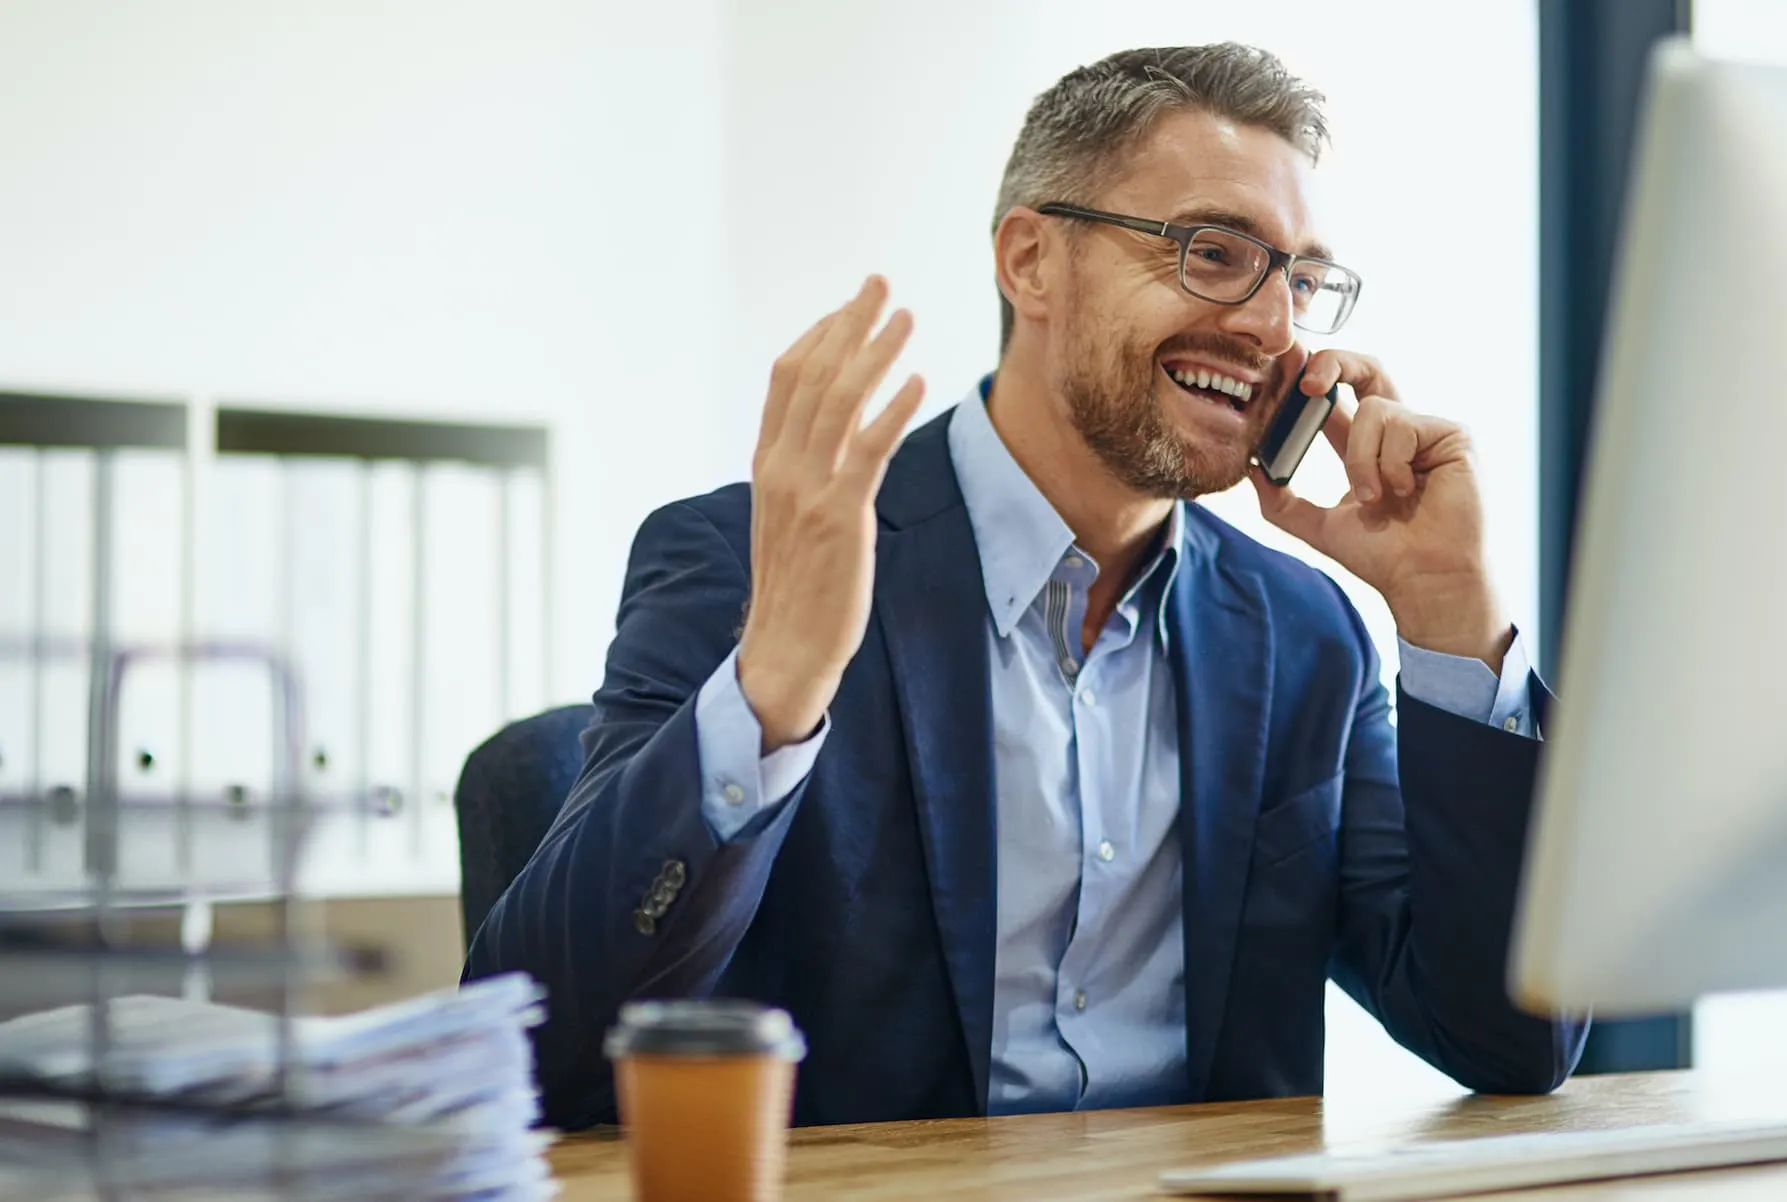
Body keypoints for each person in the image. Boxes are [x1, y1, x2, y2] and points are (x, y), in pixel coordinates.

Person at [466, 43, 1588, 1129]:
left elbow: (1510, 1040)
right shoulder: (749, 562)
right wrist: (773, 689)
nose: (1270, 326)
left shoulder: (1305, 634)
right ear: (1030, 261)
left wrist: (1451, 610)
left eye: (1300, 280)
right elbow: (534, 1054)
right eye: (1212, 252)